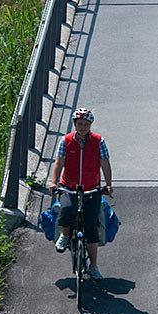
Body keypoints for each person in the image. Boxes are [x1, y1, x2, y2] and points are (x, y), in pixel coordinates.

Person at [49, 107, 113, 281]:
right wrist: (54, 183)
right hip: (69, 186)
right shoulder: (66, 141)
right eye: (80, 124)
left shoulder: (99, 142)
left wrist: (108, 185)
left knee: (92, 227)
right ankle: (65, 234)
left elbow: (105, 163)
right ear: (74, 124)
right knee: (67, 210)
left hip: (91, 189)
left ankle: (93, 267)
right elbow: (58, 164)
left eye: (86, 124)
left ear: (90, 125)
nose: (83, 127)